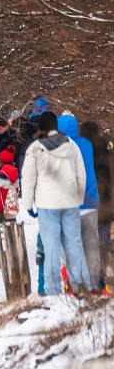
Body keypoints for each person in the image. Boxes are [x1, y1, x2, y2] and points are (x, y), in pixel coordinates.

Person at [21, 111, 91, 296]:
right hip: (70, 201)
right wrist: (79, 197)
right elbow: (81, 175)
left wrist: (28, 204)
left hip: (47, 203)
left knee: (51, 246)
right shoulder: (72, 145)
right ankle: (81, 283)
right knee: (74, 244)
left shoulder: (35, 148)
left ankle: (52, 290)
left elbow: (27, 179)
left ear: (41, 128)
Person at [57, 113, 102, 292]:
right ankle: (93, 286)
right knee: (91, 247)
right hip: (91, 203)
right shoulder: (87, 145)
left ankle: (75, 287)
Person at [80, 121, 113, 292]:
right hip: (107, 206)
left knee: (88, 245)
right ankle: (102, 281)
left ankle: (90, 283)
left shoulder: (82, 153)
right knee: (103, 244)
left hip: (88, 204)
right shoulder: (108, 152)